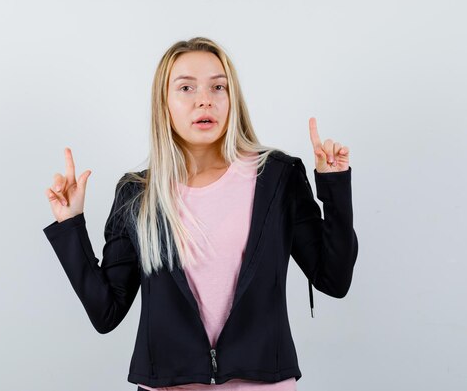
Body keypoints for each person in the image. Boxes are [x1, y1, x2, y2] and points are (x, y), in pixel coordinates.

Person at [43, 37, 358, 390]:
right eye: (186, 87)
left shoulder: (277, 177)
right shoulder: (138, 193)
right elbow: (106, 312)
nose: (204, 99)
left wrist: (333, 185)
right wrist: (70, 223)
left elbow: (334, 279)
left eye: (218, 86)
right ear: (164, 103)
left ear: (231, 99)